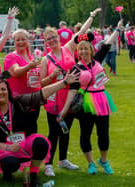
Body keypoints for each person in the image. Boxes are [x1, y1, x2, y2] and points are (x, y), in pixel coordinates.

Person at [0, 71, 79, 186]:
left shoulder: (18, 102)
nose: (1, 92)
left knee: (41, 143)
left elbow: (40, 94)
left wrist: (64, 82)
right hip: (3, 149)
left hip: (23, 143)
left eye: (3, 89)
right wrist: (8, 147)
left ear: (8, 91)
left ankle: (33, 174)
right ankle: (7, 173)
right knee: (10, 162)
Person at [40, 8, 102, 176]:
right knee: (53, 132)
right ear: (45, 42)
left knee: (65, 129)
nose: (52, 40)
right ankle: (48, 164)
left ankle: (63, 160)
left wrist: (91, 16)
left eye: (54, 37)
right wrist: (51, 76)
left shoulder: (68, 48)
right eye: (48, 39)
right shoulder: (46, 59)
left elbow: (82, 32)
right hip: (54, 99)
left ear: (58, 37)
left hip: (70, 96)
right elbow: (41, 83)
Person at [58, 31, 119, 175]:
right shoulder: (75, 69)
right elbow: (72, 91)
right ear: (78, 52)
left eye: (86, 48)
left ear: (91, 49)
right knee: (86, 133)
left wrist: (118, 30)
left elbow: (106, 45)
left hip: (102, 100)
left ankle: (104, 161)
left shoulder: (97, 59)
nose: (84, 51)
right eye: (81, 49)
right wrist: (64, 110)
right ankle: (91, 163)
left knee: (103, 133)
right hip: (86, 102)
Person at [4, 29, 41, 135]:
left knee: (32, 130)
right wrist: (29, 66)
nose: (20, 42)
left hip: (34, 100)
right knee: (19, 132)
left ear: (28, 40)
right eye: (18, 40)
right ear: (14, 42)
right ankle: (19, 152)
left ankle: (30, 151)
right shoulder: (10, 57)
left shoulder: (31, 57)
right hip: (19, 102)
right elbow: (15, 72)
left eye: (23, 39)